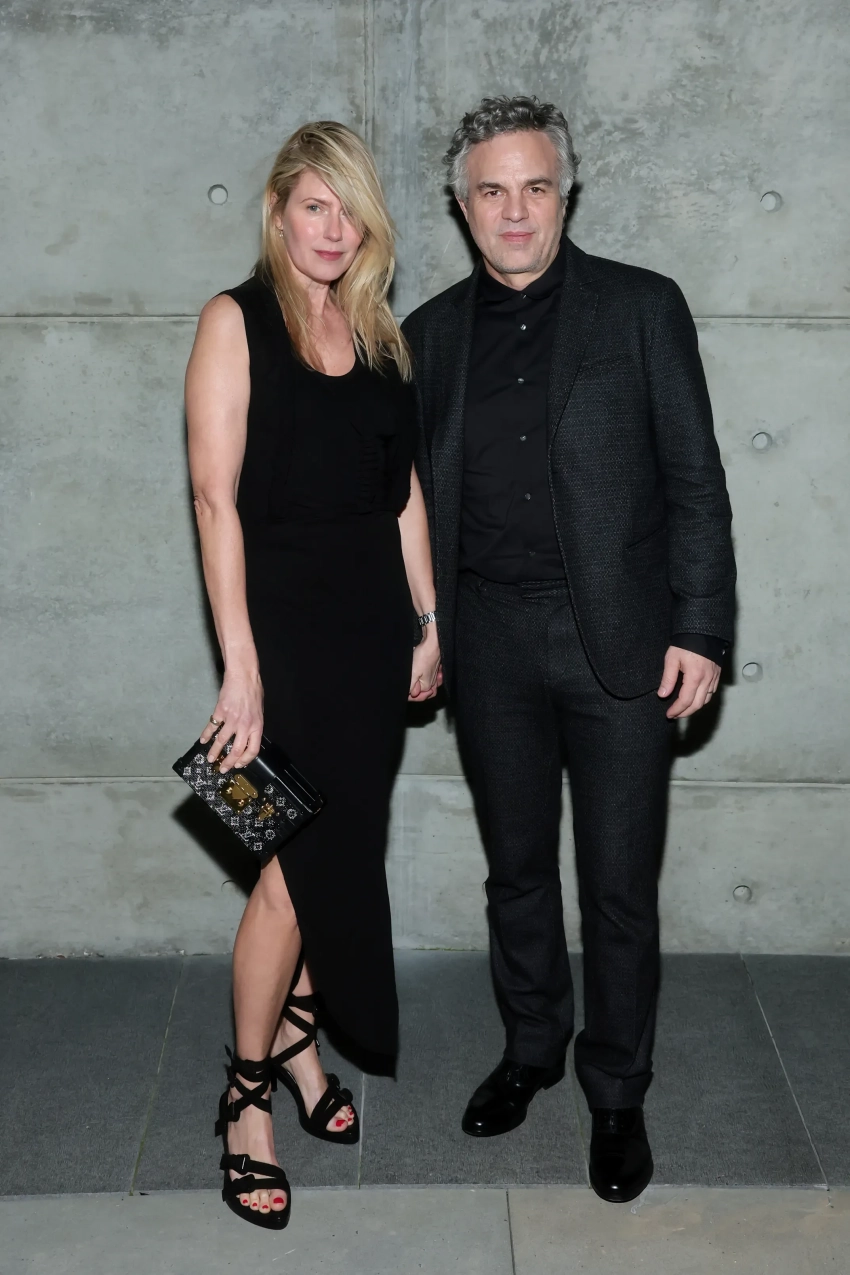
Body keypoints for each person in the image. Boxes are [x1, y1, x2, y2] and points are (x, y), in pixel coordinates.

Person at [402, 96, 735, 1203]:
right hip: (488, 641)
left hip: (622, 644)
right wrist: (421, 630)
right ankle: (533, 1049)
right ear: (462, 205)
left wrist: (700, 627)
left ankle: (617, 1092)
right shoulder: (429, 336)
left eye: (535, 187)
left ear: (566, 193)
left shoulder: (641, 308)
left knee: (619, 885)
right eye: (491, 190)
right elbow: (406, 507)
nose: (515, 211)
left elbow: (695, 481)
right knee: (516, 872)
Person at [185, 121, 441, 1229]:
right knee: (292, 875)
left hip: (371, 636)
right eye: (314, 207)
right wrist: (239, 668)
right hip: (280, 640)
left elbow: (404, 493)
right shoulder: (234, 320)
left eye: (350, 210)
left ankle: (298, 1048)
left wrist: (426, 622)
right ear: (279, 210)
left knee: (332, 867)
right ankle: (246, 1099)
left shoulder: (379, 334)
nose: (333, 230)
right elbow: (214, 500)